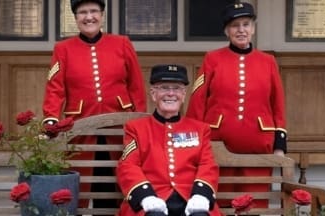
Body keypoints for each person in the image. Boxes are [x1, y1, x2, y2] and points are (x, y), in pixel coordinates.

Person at [42, 0, 146, 211]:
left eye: (93, 11)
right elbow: (55, 88)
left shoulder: (122, 43)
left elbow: (136, 85)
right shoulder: (63, 49)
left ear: (102, 14)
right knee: (80, 184)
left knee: (118, 182)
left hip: (119, 128)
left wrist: (141, 120)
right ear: (75, 17)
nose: (89, 17)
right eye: (82, 12)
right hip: (80, 128)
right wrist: (51, 119)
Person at [186, 1, 287, 209]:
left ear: (253, 28)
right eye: (235, 25)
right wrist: (194, 141)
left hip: (259, 145)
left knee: (256, 203)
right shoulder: (212, 59)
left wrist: (279, 145)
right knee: (221, 203)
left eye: (246, 24)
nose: (241, 30)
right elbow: (198, 101)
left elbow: (278, 104)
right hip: (218, 145)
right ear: (226, 30)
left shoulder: (268, 61)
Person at [116, 64, 222, 216]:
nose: (171, 93)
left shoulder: (200, 129)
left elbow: (207, 164)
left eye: (177, 88)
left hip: (190, 199)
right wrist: (145, 196)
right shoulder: (135, 128)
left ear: (184, 95)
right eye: (164, 88)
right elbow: (128, 165)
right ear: (153, 94)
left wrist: (201, 194)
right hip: (153, 198)